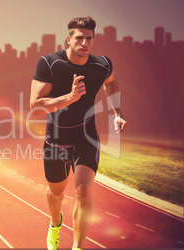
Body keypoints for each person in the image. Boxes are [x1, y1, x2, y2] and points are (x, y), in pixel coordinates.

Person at [29, 16, 128, 250]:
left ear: (93, 40)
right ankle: (55, 224)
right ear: (69, 39)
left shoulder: (101, 65)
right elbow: (36, 105)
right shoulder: (50, 63)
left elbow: (111, 83)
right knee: (56, 192)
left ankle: (77, 247)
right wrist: (70, 98)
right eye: (80, 37)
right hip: (56, 139)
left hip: (86, 136)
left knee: (83, 189)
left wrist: (118, 113)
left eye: (89, 38)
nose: (85, 42)